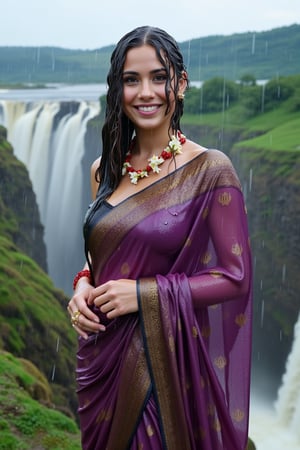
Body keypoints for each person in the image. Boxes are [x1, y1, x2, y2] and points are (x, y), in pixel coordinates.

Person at [67, 25, 253, 450]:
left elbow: (235, 277)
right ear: (118, 88)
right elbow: (101, 260)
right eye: (131, 80)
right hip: (101, 362)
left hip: (164, 365)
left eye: (159, 77)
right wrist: (80, 287)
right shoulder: (105, 169)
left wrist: (143, 294)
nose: (145, 92)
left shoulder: (210, 170)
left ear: (180, 84)